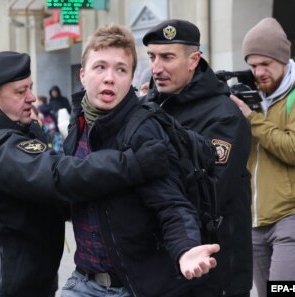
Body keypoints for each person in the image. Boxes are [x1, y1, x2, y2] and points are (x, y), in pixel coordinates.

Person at [0, 51, 172, 297]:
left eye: (30, 88)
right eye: (20, 92)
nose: (31, 98)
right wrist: (133, 163)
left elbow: (40, 195)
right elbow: (57, 177)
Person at [61, 23, 220, 297]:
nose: (110, 78)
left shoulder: (143, 128)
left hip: (131, 287)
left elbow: (171, 204)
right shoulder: (79, 122)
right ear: (83, 75)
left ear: (131, 78)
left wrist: (186, 248)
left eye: (120, 70)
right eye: (100, 67)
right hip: (83, 281)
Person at [143, 19, 253, 297]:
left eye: (167, 57)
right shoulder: (148, 108)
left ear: (194, 60)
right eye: (152, 57)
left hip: (214, 273)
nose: (157, 68)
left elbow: (209, 193)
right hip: (163, 268)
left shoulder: (224, 115)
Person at [230, 17, 295, 297]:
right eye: (253, 65)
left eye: (266, 63)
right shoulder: (258, 97)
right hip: (256, 222)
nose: (259, 72)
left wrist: (251, 118)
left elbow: (293, 148)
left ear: (283, 59)